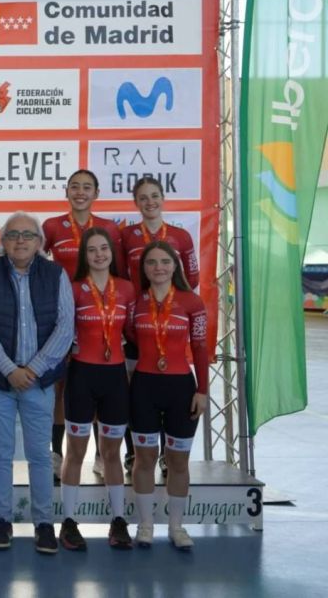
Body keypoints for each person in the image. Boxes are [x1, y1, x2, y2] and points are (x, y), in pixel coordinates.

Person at [0, 211, 74, 555]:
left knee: (40, 456)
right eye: (13, 234)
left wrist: (34, 369)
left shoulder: (56, 274)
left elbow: (65, 326)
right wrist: (9, 370)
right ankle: (1, 520)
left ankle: (44, 523)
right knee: (0, 454)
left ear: (39, 242)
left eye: (28, 235)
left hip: (39, 383)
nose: (20, 240)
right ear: (2, 241)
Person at [127, 241, 209, 551]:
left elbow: (200, 347)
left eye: (165, 261)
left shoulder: (192, 302)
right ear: (144, 269)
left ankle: (176, 526)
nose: (158, 267)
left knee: (178, 461)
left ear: (175, 266)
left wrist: (202, 390)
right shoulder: (136, 302)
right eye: (151, 262)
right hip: (144, 387)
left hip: (181, 389)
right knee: (144, 458)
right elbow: (130, 337)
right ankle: (145, 524)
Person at [58, 228, 136, 551]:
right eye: (92, 250)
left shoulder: (127, 289)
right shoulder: (74, 288)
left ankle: (118, 520)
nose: (99, 255)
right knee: (76, 451)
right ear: (84, 256)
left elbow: (133, 331)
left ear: (111, 253)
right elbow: (63, 330)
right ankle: (68, 521)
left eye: (104, 248)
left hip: (115, 378)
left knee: (111, 453)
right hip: (81, 377)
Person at [42, 169, 123, 478]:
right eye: (74, 186)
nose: (80, 192)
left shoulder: (108, 227)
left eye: (87, 187)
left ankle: (102, 455)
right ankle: (56, 453)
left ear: (96, 193)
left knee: (100, 382)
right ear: (66, 192)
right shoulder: (52, 226)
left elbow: (118, 273)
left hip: (99, 314)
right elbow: (38, 267)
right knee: (60, 386)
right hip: (62, 314)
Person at [120, 177, 200, 475]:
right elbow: (120, 276)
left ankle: (169, 454)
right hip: (137, 323)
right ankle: (133, 453)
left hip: (167, 321)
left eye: (154, 195)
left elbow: (192, 278)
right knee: (136, 392)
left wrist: (173, 302)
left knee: (170, 388)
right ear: (136, 203)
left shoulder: (181, 236)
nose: (149, 202)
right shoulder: (126, 235)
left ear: (163, 198)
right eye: (143, 197)